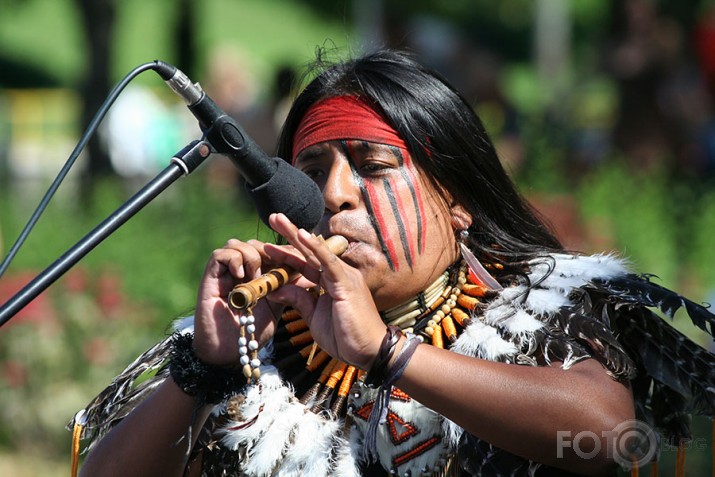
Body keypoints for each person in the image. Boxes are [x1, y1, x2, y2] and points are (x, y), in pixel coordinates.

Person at [70, 49, 715, 477]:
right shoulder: (250, 352)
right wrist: (203, 372)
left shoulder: (538, 315)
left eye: (373, 167)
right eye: (312, 172)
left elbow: (609, 438)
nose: (335, 194)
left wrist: (385, 352)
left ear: (457, 201)